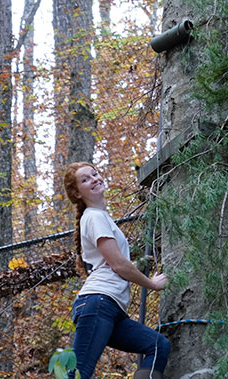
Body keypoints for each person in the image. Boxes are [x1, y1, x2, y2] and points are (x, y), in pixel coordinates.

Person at [63, 161, 170, 379]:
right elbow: (119, 264)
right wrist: (152, 284)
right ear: (77, 193)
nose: (94, 179)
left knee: (158, 345)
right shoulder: (94, 217)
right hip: (98, 302)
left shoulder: (100, 217)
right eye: (85, 179)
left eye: (94, 174)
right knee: (79, 372)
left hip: (111, 309)